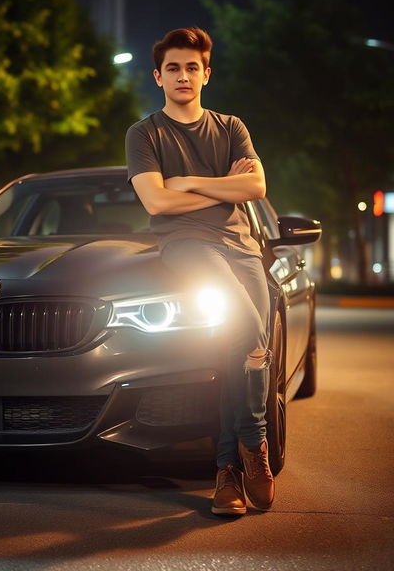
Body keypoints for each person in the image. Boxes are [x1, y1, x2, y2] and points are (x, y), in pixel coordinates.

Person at [125, 27, 274, 516]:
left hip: (242, 247)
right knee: (249, 331)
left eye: (193, 67)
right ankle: (255, 445)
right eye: (174, 68)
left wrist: (186, 181)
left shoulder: (232, 127)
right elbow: (155, 200)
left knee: (246, 348)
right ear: (158, 77)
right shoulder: (145, 134)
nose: (183, 75)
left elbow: (254, 187)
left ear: (206, 74)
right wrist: (219, 186)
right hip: (187, 245)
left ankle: (227, 473)